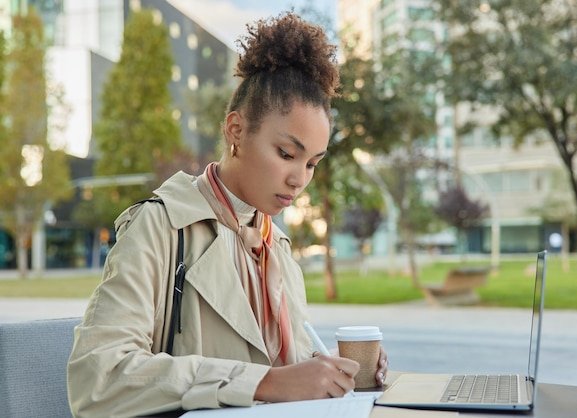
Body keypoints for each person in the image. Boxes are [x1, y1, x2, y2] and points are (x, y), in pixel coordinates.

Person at [67, 12, 388, 418]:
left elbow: (284, 368)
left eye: (312, 163)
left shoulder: (278, 244)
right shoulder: (160, 227)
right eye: (287, 154)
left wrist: (339, 374)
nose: (298, 179)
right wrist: (264, 382)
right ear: (236, 131)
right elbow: (97, 380)